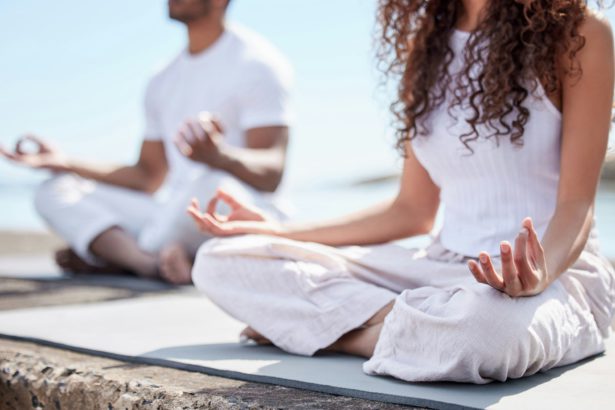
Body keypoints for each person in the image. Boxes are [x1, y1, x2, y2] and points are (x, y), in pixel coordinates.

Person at [187, 0, 615, 383]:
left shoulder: (577, 33)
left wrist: (538, 274)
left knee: (482, 333)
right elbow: (410, 211)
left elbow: (577, 206)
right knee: (222, 259)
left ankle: (340, 335)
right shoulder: (426, 49)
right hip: (440, 269)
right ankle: (411, 328)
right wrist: (280, 232)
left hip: (554, 276)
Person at [0, 0, 293, 284]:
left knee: (210, 183)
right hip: (172, 212)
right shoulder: (163, 79)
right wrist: (64, 162)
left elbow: (271, 173)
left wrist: (219, 157)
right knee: (54, 189)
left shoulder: (257, 63)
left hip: (233, 208)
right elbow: (147, 177)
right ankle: (149, 263)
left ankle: (124, 255)